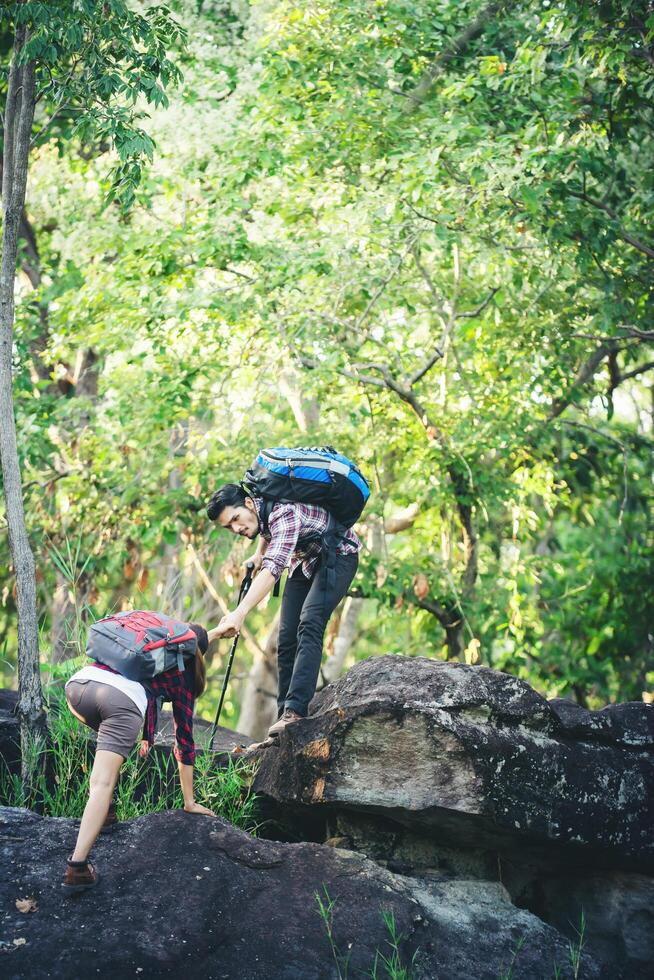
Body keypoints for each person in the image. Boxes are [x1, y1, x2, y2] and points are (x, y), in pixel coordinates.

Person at [62, 620, 215, 894]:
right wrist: (189, 801)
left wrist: (147, 734)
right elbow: (184, 740)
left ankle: (105, 812)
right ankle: (77, 867)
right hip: (118, 700)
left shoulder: (154, 641)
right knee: (102, 784)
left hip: (79, 687)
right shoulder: (183, 672)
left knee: (110, 748)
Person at [206, 484, 360, 737]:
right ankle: (282, 722)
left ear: (248, 503)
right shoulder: (262, 506)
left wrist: (240, 612)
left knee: (310, 621)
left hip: (339, 554)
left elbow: (273, 570)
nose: (236, 528)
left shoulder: (284, 512)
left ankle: (295, 713)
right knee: (285, 638)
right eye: (229, 527)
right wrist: (258, 554)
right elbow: (265, 531)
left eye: (235, 519)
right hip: (306, 559)